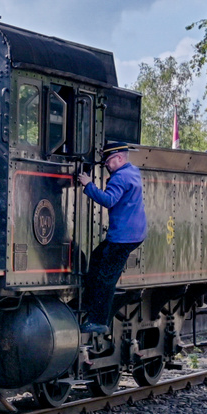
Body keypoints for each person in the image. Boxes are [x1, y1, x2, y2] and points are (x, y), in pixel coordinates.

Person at [76, 143, 146, 337]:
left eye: (109, 162)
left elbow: (108, 200)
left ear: (120, 158)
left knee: (106, 278)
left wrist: (88, 184)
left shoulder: (120, 177)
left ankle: (98, 321)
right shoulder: (132, 171)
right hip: (133, 233)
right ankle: (90, 301)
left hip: (123, 237)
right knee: (97, 257)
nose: (107, 165)